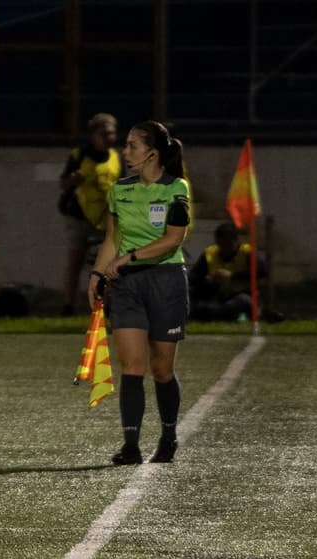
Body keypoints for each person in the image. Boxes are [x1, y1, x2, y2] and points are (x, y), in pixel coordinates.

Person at [88, 120, 191, 466]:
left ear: (152, 153)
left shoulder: (176, 187)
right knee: (132, 365)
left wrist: (128, 257)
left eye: (133, 145)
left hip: (166, 281)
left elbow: (173, 239)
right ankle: (131, 445)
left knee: (161, 369)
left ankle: (168, 437)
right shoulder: (119, 190)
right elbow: (112, 238)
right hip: (127, 285)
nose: (125, 151)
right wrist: (97, 274)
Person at [59, 112, 121, 316]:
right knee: (75, 262)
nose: (109, 137)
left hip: (106, 218)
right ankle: (68, 306)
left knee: (107, 266)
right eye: (104, 133)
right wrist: (73, 180)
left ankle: (105, 307)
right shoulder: (80, 155)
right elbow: (63, 183)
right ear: (93, 134)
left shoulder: (116, 157)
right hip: (80, 217)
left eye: (112, 133)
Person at [187, 221, 270, 322]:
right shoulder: (210, 254)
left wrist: (232, 276)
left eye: (228, 244)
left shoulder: (247, 253)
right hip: (217, 297)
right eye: (221, 244)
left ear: (236, 241)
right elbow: (192, 279)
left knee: (240, 302)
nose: (225, 248)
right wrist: (208, 280)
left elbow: (262, 271)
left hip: (242, 296)